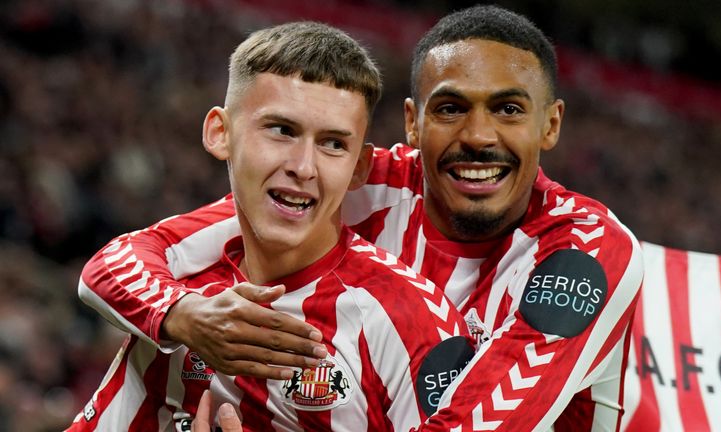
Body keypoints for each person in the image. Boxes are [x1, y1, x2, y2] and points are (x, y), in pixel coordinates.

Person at [79, 5, 644, 431]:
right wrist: (181, 313)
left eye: (509, 110)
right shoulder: (358, 179)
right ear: (412, 124)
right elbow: (125, 258)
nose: (478, 136)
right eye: (450, 109)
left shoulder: (583, 249)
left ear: (550, 126)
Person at [68, 21, 473, 431]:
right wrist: (186, 316)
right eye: (282, 130)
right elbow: (108, 265)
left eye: (333, 143)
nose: (303, 167)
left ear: (360, 168)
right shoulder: (181, 276)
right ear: (219, 133)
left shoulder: (412, 323)